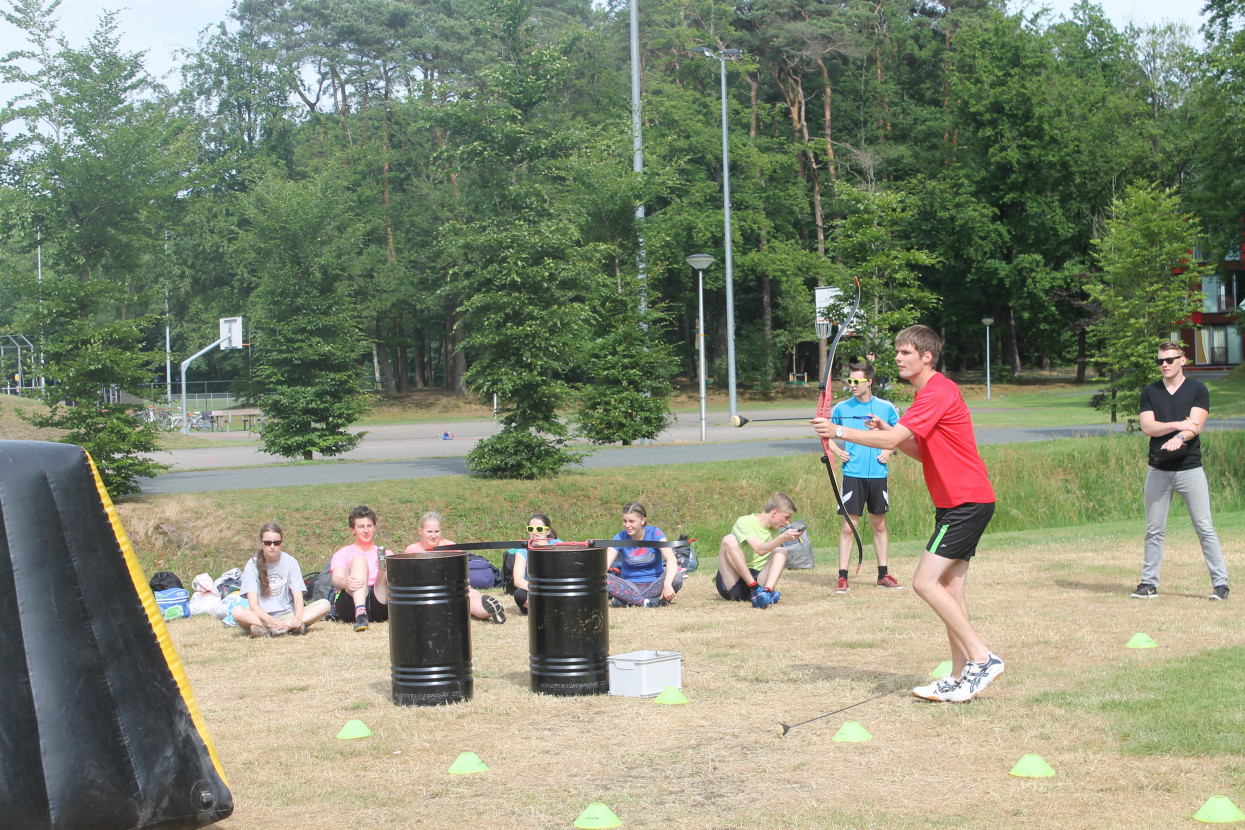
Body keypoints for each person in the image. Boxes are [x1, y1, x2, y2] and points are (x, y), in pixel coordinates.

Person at [814, 325, 1003, 703]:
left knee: (924, 583)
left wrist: (837, 430)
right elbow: (919, 452)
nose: (898, 358)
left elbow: (889, 443)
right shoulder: (926, 396)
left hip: (966, 502)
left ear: (926, 356)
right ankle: (958, 676)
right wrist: (891, 432)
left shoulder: (937, 391)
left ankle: (982, 658)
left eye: (905, 352)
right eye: (898, 352)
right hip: (955, 502)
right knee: (951, 589)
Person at [1131, 341, 1229, 601]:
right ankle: (1148, 584)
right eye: (1160, 361)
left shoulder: (1198, 389)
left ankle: (1221, 585)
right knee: (1154, 529)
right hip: (1158, 469)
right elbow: (1148, 428)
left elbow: (1196, 425)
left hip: (1189, 469)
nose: (1164, 364)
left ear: (1183, 360)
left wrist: (1180, 437)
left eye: (1170, 360)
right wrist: (1177, 425)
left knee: (1204, 527)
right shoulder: (1150, 391)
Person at [830, 362, 902, 593]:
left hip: (878, 474)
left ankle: (883, 574)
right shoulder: (841, 408)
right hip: (852, 473)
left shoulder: (886, 407)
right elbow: (826, 433)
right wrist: (835, 450)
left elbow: (900, 434)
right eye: (849, 381)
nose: (851, 385)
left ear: (869, 382)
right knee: (849, 526)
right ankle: (842, 577)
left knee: (879, 524)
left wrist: (888, 451)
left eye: (856, 381)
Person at [405, 511, 506, 623]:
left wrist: (466, 586)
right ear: (421, 532)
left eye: (437, 531)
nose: (433, 535)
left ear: (441, 531)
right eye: (429, 531)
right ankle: (490, 607)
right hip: (427, 592)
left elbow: (462, 571)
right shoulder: (412, 550)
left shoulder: (451, 547)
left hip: (452, 588)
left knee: (471, 596)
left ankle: (492, 609)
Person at [233, 522, 332, 637]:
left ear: (281, 542)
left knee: (324, 605)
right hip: (262, 617)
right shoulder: (252, 565)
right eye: (267, 543)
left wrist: (298, 617)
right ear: (261, 542)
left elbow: (298, 597)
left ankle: (270, 631)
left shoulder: (291, 562)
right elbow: (253, 605)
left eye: (276, 543)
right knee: (238, 612)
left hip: (288, 614)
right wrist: (271, 620)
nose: (272, 546)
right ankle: (286, 628)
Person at [714, 492, 803, 609]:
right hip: (733, 581)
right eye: (786, 517)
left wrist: (783, 538)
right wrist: (783, 538)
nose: (787, 522)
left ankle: (767, 592)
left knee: (781, 551)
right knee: (728, 540)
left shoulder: (775, 530)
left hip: (758, 579)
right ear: (775, 513)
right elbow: (759, 549)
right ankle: (756, 590)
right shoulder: (744, 522)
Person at [605, 502, 682, 608]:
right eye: (625, 521)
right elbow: (604, 565)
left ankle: (627, 600)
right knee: (604, 579)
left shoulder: (655, 533)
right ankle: (647, 602)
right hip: (630, 586)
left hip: (654, 583)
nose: (627, 525)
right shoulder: (620, 536)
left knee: (677, 576)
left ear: (642, 520)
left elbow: (671, 559)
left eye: (631, 521)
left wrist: (667, 585)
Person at [330, 505, 390, 632]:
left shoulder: (386, 552)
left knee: (387, 561)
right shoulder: (343, 553)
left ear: (374, 528)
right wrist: (344, 583)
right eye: (361, 527)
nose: (366, 531)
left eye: (369, 526)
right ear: (353, 530)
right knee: (359, 561)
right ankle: (361, 614)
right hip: (350, 601)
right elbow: (336, 580)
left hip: (378, 600)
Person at [508, 513, 558, 614]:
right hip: (532, 588)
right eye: (531, 529)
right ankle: (549, 608)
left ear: (548, 531)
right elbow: (518, 580)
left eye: (539, 529)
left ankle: (545, 608)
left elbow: (563, 569)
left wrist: (547, 548)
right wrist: (540, 589)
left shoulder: (557, 544)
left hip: (555, 588)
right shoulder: (522, 550)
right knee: (520, 594)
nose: (534, 533)